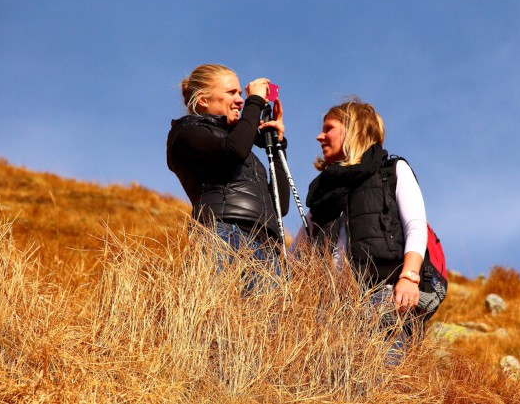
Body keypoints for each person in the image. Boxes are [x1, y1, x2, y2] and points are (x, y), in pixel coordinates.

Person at [295, 97, 429, 358]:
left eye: (328, 128)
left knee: (382, 381)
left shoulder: (391, 172)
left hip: (384, 295)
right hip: (331, 310)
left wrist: (409, 278)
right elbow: (297, 255)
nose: (319, 137)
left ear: (352, 129)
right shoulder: (324, 196)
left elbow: (415, 226)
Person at [166, 64, 289, 286]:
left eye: (242, 94)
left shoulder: (244, 153)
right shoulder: (187, 132)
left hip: (266, 246)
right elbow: (234, 151)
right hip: (223, 235)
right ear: (203, 100)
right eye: (232, 92)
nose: (241, 100)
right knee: (220, 317)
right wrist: (256, 102)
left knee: (265, 321)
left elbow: (280, 206)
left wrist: (277, 145)